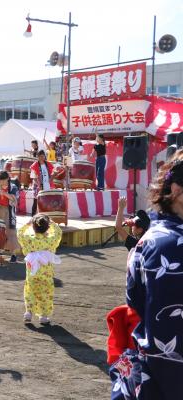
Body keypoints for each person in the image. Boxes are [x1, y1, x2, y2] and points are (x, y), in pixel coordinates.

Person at [109, 151, 183, 399]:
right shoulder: (169, 245)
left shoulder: (147, 243)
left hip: (151, 372)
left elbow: (134, 300)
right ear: (175, 189)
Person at [17, 214, 62, 325]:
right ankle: (44, 316)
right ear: (47, 227)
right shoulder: (50, 241)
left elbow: (20, 233)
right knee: (46, 293)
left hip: (32, 273)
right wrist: (52, 223)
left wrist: (27, 224)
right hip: (46, 274)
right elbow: (58, 233)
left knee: (30, 291)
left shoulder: (29, 240)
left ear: (33, 226)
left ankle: (28, 312)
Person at [0, 171, 20, 263]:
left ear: (7, 179)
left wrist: (5, 194)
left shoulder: (13, 187)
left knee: (11, 232)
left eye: (2, 180)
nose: (1, 182)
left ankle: (13, 254)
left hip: (9, 212)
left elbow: (15, 200)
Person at [30, 150, 55, 216]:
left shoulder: (48, 164)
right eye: (40, 156)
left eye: (43, 156)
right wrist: (39, 185)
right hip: (38, 185)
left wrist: (51, 178)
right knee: (36, 201)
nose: (41, 158)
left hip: (47, 185)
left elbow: (53, 173)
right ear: (37, 157)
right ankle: (33, 217)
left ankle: (47, 216)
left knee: (47, 201)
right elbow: (34, 178)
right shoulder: (34, 165)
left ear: (44, 156)